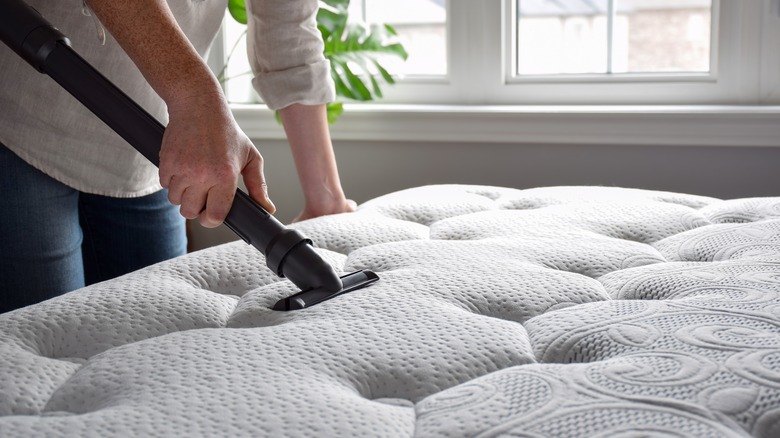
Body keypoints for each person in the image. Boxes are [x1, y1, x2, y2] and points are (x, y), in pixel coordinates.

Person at [0, 0, 355, 313]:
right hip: (24, 125)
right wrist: (196, 97)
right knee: (45, 339)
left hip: (149, 150)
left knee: (160, 337)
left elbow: (288, 23)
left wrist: (323, 195)